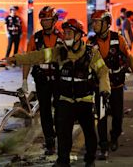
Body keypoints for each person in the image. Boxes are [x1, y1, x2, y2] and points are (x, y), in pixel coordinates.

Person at [7, 19, 111, 167]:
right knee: (63, 134)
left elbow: (103, 71)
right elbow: (38, 55)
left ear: (78, 36)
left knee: (89, 134)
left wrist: (105, 90)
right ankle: (63, 161)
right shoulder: (59, 52)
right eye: (65, 33)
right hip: (65, 100)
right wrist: (15, 59)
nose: (66, 36)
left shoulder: (91, 53)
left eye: (69, 33)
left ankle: (90, 160)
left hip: (85, 101)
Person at [89, 10, 133, 160]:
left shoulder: (118, 39)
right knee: (101, 116)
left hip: (117, 85)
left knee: (118, 116)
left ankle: (115, 137)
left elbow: (129, 57)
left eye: (97, 22)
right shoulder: (91, 42)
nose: (94, 25)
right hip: (99, 86)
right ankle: (103, 146)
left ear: (106, 23)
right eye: (93, 22)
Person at [22, 6, 63, 155]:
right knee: (45, 112)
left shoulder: (63, 37)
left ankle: (61, 138)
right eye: (43, 20)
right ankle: (50, 142)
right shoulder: (36, 38)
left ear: (54, 20)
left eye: (48, 20)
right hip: (42, 80)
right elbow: (28, 59)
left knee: (60, 111)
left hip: (59, 81)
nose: (45, 23)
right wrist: (24, 79)